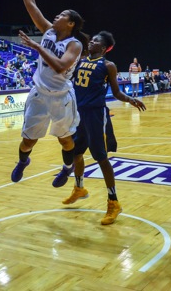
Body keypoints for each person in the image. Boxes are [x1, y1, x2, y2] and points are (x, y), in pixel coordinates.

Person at [6, 0, 88, 186]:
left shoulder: (75, 44)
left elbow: (61, 66)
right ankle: (23, 162)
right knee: (27, 141)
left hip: (61, 96)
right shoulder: (49, 31)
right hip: (39, 93)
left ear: (70, 23)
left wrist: (38, 47)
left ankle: (67, 168)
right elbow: (31, 5)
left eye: (62, 15)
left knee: (65, 140)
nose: (56, 15)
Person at [61, 31, 146, 225]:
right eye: (91, 39)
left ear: (104, 47)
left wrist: (131, 99)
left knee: (101, 158)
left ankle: (113, 201)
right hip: (78, 114)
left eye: (96, 40)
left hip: (96, 115)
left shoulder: (108, 66)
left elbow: (116, 92)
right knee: (76, 153)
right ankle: (79, 188)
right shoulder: (81, 60)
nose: (91, 41)